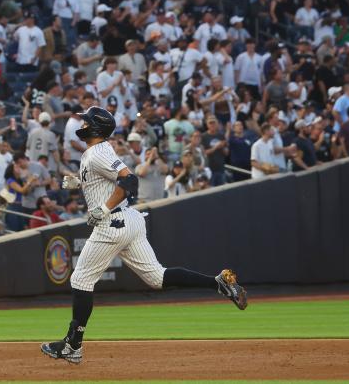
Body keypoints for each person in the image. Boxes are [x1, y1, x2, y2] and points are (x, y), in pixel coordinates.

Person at [41, 107, 246, 365]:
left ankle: (73, 345)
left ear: (95, 126)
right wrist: (80, 183)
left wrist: (103, 208)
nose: (81, 123)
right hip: (130, 222)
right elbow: (108, 179)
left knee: (81, 279)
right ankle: (218, 283)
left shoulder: (98, 151)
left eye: (85, 120)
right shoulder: (95, 152)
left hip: (112, 223)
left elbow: (130, 182)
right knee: (156, 277)